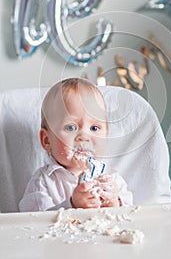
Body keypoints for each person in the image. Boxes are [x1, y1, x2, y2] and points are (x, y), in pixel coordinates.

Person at [19, 78, 133, 212]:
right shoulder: (43, 182)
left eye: (94, 128)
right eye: (70, 128)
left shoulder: (112, 179)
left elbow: (131, 216)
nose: (84, 137)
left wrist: (115, 203)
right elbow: (33, 221)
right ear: (47, 141)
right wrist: (72, 205)